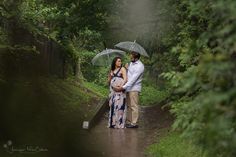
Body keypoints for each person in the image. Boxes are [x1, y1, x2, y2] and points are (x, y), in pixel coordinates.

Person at [114, 52, 144, 128]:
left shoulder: (140, 66)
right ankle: (129, 121)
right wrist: (127, 69)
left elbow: (133, 80)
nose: (130, 58)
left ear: (136, 57)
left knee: (134, 106)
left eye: (131, 57)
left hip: (134, 88)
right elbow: (129, 75)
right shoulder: (131, 63)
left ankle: (134, 123)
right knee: (129, 105)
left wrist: (123, 87)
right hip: (128, 87)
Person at [108, 56, 127, 128]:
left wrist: (120, 86)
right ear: (115, 62)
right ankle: (113, 123)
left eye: (120, 61)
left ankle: (119, 123)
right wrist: (110, 76)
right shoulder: (112, 70)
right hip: (113, 91)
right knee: (113, 105)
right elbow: (109, 82)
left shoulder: (122, 69)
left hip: (120, 90)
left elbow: (125, 79)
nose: (120, 62)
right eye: (118, 61)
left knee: (119, 106)